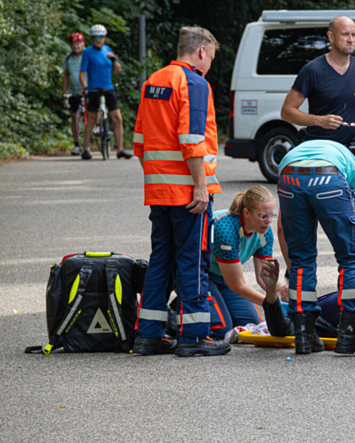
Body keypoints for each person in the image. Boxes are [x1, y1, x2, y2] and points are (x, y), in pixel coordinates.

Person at [132, 26, 227, 357]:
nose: (210, 64)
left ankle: (149, 335)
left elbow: (140, 144)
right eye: (212, 57)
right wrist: (200, 186)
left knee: (161, 260)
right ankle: (195, 336)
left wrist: (160, 179)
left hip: (159, 190)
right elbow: (191, 140)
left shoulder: (153, 81)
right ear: (201, 52)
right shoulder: (194, 83)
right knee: (193, 260)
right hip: (189, 192)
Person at [275, 138, 355, 356]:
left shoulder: (295, 155)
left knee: (302, 261)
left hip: (289, 177)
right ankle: (351, 334)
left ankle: (304, 334)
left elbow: (282, 230)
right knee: (350, 258)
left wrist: (292, 270)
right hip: (329, 177)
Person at [280, 16, 355, 159]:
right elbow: (286, 111)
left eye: (354, 35)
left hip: (353, 152)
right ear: (331, 37)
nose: (351, 40)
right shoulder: (312, 70)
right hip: (320, 152)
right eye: (345, 34)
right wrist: (319, 121)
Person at [206, 186, 279, 338]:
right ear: (246, 213)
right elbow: (237, 285)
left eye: (272, 215)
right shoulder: (225, 228)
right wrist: (273, 305)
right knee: (221, 330)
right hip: (201, 275)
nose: (269, 221)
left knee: (251, 325)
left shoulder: (265, 231)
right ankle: (177, 313)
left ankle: (216, 305)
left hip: (224, 278)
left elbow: (263, 278)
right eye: (263, 216)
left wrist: (279, 291)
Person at [79, 24, 130, 160]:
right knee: (91, 119)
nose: (98, 39)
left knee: (117, 118)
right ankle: (85, 149)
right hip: (94, 89)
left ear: (105, 38)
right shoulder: (88, 52)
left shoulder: (107, 50)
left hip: (108, 87)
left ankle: (120, 149)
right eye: (96, 37)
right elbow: (82, 73)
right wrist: (85, 87)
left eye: (101, 37)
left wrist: (114, 60)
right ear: (92, 38)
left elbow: (118, 70)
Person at [62, 32, 86, 155]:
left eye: (78, 43)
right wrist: (65, 93)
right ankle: (77, 144)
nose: (76, 46)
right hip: (74, 91)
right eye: (73, 44)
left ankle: (95, 131)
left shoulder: (88, 55)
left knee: (92, 110)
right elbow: (66, 76)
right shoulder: (68, 58)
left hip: (87, 89)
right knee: (74, 117)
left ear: (83, 44)